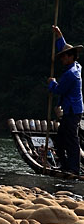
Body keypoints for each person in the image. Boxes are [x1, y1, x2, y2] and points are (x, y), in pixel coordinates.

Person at [49, 26, 84, 174]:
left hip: (72, 111)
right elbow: (65, 49)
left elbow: (58, 90)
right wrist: (59, 36)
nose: (62, 58)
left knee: (70, 140)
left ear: (71, 57)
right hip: (72, 110)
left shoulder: (71, 74)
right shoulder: (76, 65)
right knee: (61, 138)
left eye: (64, 56)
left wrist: (51, 82)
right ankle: (65, 166)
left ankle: (74, 169)